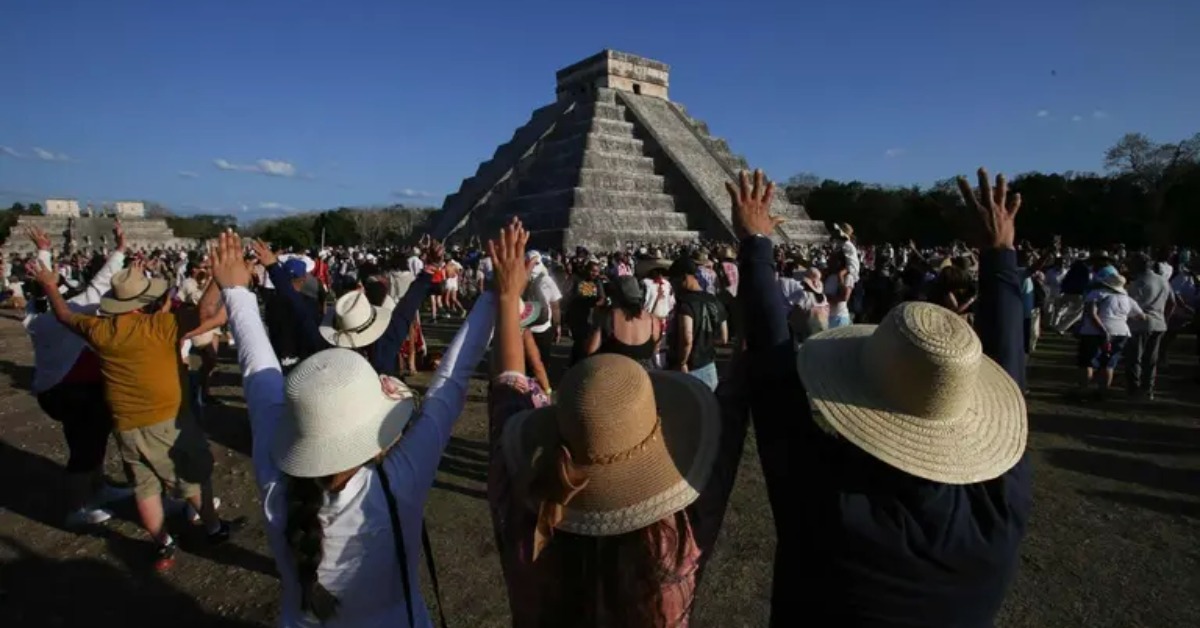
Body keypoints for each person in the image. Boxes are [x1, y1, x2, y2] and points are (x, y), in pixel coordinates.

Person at [732, 167, 1031, 625]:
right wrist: (1000, 255)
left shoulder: (828, 502)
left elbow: (773, 376)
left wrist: (756, 244)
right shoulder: (997, 514)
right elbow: (1010, 372)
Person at [215, 230, 495, 627]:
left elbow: (259, 377)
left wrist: (239, 293)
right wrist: (495, 294)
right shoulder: (395, 483)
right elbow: (451, 380)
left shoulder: (277, 479)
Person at [485, 218, 751, 627]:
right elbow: (730, 417)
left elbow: (509, 388)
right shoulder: (679, 543)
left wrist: (507, 298)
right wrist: (755, 246)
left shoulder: (528, 524)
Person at [35, 257, 232, 571]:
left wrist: (49, 286)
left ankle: (162, 543)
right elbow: (209, 313)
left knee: (145, 487)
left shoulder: (100, 330)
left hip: (126, 423)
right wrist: (218, 280)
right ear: (144, 301)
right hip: (167, 420)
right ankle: (214, 528)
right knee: (192, 478)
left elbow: (63, 314)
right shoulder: (160, 326)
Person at [22, 225, 133, 527]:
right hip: (74, 391)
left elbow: (56, 285)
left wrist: (44, 249)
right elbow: (99, 284)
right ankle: (78, 507)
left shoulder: (34, 317)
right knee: (85, 450)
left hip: (66, 389)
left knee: (90, 443)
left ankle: (98, 489)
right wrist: (120, 250)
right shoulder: (65, 315)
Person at [1077, 273, 1144, 399]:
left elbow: (1091, 313)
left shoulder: (1096, 294)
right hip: (1120, 332)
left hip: (1094, 332)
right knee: (1109, 363)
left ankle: (1083, 389)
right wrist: (1124, 318)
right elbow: (1141, 316)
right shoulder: (1127, 299)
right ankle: (1103, 392)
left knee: (1087, 361)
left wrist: (1103, 330)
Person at [668, 257, 728, 390]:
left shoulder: (686, 304)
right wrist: (705, 342)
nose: (673, 286)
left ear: (684, 277)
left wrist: (682, 362)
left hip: (690, 368)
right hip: (710, 367)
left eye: (674, 281)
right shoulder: (714, 301)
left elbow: (687, 338)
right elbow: (724, 338)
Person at [1125, 253, 1174, 400]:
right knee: (1151, 360)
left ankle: (1134, 388)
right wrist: (1165, 318)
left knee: (1135, 358)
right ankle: (1148, 389)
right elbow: (1173, 302)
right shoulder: (1163, 281)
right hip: (1159, 323)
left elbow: (1131, 304)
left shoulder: (1138, 283)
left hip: (1140, 323)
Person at [585, 275, 659, 367]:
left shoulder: (608, 316)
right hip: (643, 375)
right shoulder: (653, 320)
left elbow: (591, 350)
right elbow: (655, 350)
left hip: (615, 374)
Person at [565, 260, 605, 365]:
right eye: (593, 271)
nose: (595, 274)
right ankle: (574, 365)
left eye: (597, 272)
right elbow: (566, 294)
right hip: (577, 316)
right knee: (579, 342)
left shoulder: (597, 282)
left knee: (587, 343)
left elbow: (602, 297)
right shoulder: (576, 278)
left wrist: (599, 302)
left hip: (591, 317)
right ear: (586, 269)